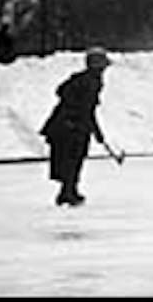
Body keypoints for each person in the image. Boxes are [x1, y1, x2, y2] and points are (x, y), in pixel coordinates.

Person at [39, 46, 118, 207]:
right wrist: (95, 131)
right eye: (103, 66)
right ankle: (68, 192)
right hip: (70, 126)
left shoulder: (82, 79)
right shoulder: (90, 82)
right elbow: (85, 109)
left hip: (66, 125)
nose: (104, 69)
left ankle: (67, 191)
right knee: (73, 158)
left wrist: (95, 131)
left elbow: (81, 105)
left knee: (71, 158)